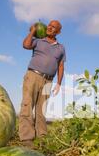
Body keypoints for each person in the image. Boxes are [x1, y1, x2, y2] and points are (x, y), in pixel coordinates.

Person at [18, 20, 66, 148]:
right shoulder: (38, 40)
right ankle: (27, 138)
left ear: (59, 31)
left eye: (54, 27)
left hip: (48, 80)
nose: (50, 27)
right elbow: (26, 45)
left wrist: (59, 83)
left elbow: (61, 65)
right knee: (27, 105)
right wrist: (33, 31)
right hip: (33, 75)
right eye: (49, 25)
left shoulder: (61, 48)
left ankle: (42, 137)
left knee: (42, 110)